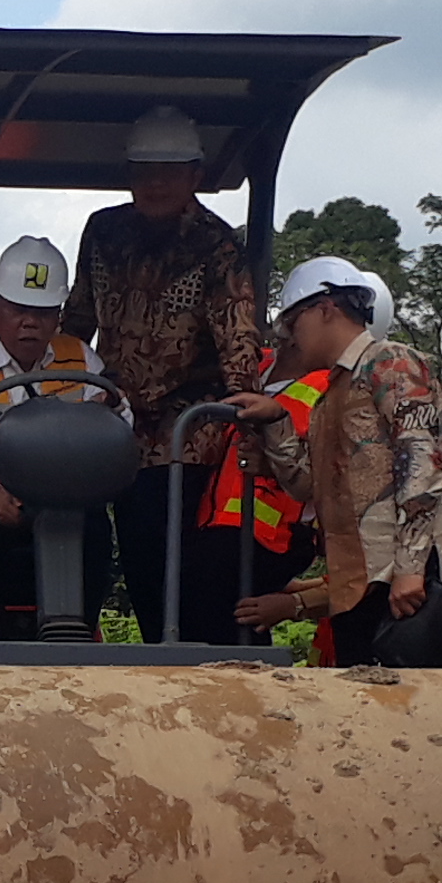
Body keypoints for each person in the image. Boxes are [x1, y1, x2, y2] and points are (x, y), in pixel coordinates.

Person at [62, 105, 264, 642]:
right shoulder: (103, 231)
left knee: (171, 547)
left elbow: (237, 332)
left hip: (187, 427)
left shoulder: (218, 245)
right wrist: (52, 385)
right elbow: (78, 319)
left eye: (168, 171)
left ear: (196, 176)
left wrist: (246, 409)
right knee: (111, 539)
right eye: (143, 170)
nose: (154, 183)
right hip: (114, 418)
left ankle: (183, 652)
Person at [228, 258, 442, 667]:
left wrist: (411, 569)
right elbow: (311, 485)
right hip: (358, 583)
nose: (288, 338)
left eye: (292, 322)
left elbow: (423, 464)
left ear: (325, 308)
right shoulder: (332, 394)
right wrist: (276, 423)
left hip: (405, 582)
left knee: (410, 705)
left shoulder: (391, 362)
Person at [0, 237, 122, 638]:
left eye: (43, 312)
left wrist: (107, 415)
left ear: (58, 316)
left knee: (96, 530)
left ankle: (77, 640)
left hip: (63, 496)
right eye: (18, 309)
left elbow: (115, 417)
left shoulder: (82, 359)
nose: (30, 322)